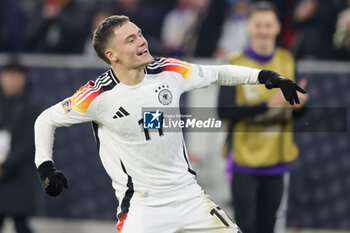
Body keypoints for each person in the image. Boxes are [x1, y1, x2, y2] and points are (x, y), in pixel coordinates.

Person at [34, 15, 306, 233]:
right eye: (131, 39)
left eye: (140, 34)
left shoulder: (167, 70)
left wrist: (265, 76)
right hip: (143, 206)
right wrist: (46, 167)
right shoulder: (97, 95)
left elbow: (218, 72)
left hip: (189, 196)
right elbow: (46, 119)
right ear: (112, 55)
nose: (142, 42)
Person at [217, 2, 308, 233]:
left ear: (278, 27)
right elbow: (224, 110)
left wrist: (300, 107)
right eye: (259, 25)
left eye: (268, 25)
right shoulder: (234, 63)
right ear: (249, 27)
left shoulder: (287, 60)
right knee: (245, 225)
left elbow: (296, 111)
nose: (264, 31)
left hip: (277, 159)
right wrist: (267, 104)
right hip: (244, 160)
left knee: (268, 226)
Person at [0, 62, 37, 233]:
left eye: (17, 75)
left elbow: (30, 144)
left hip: (18, 175)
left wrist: (5, 165)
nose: (12, 79)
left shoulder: (31, 108)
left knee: (20, 222)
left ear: (25, 78)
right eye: (8, 74)